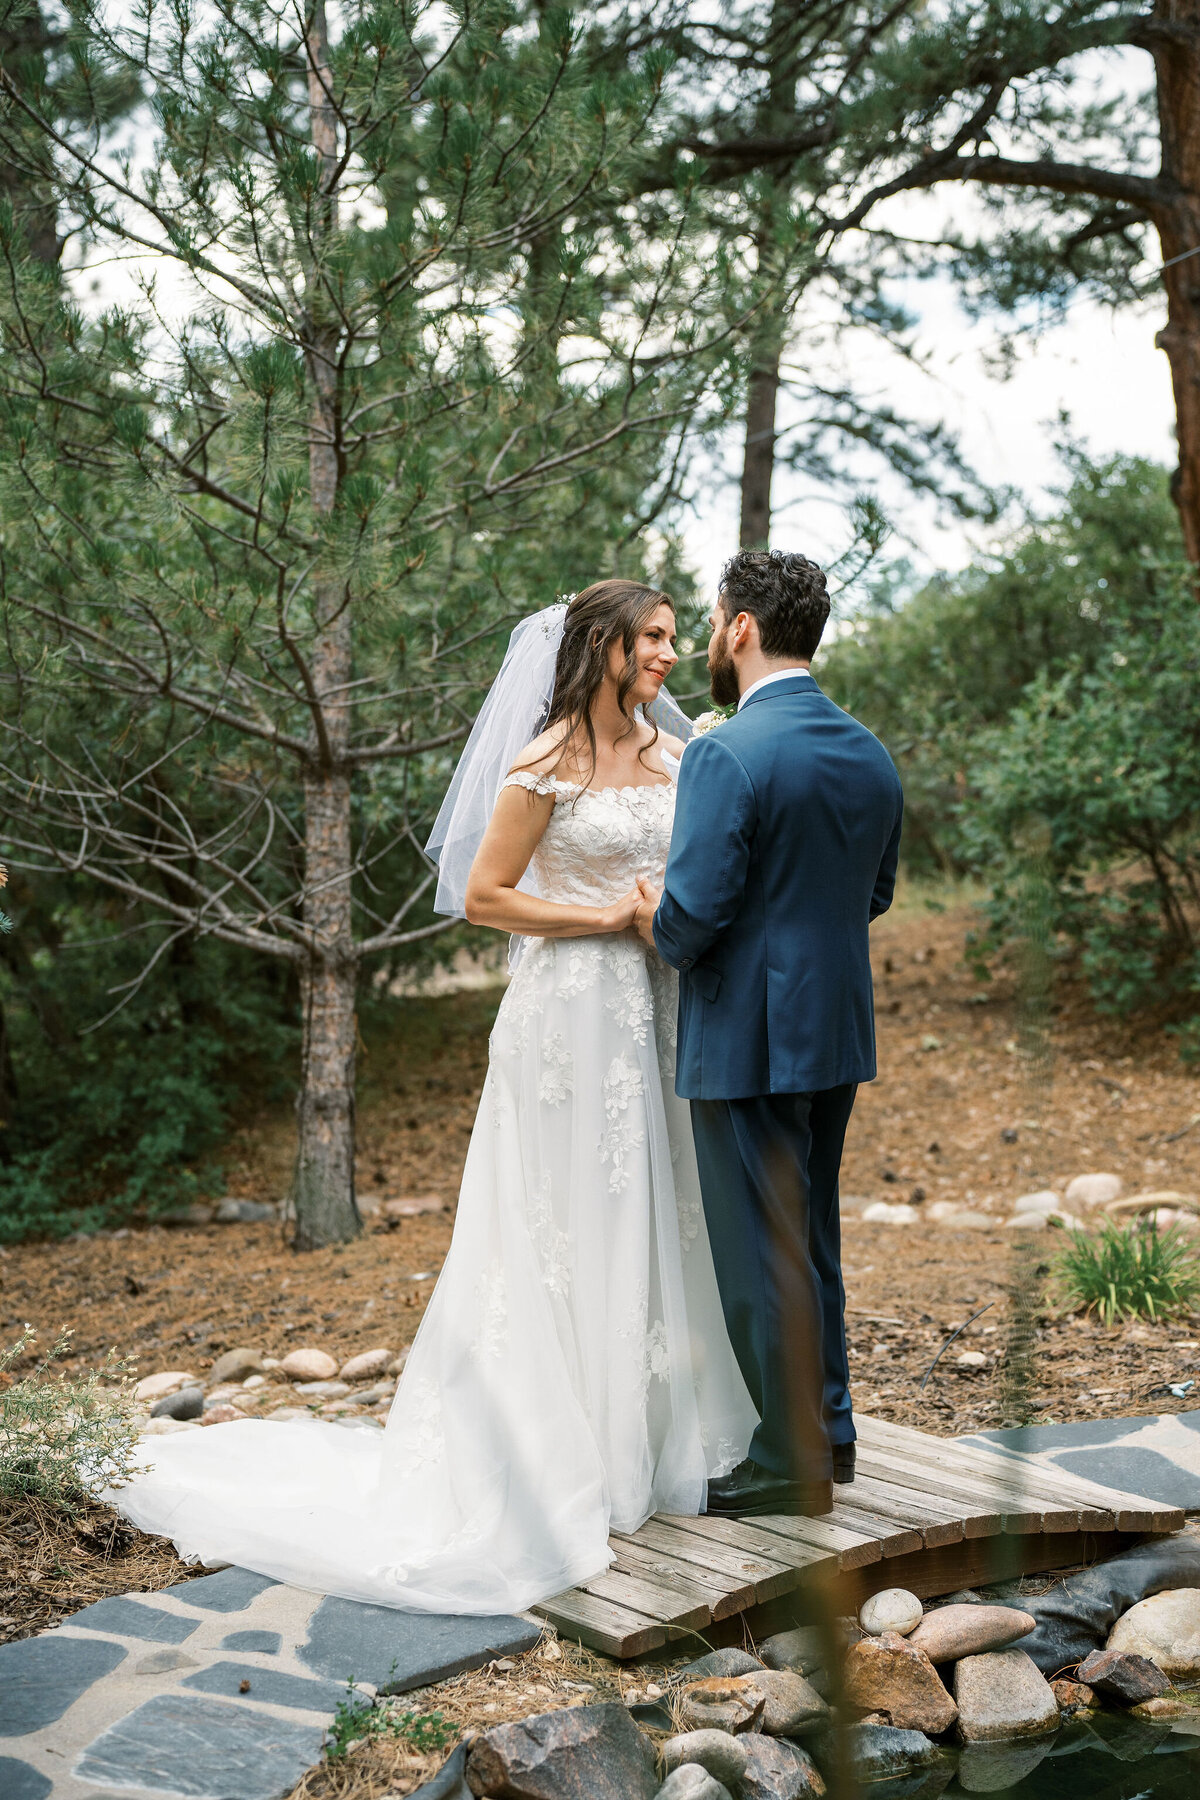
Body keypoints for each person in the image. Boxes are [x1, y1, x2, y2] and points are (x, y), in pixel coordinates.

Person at [109, 580, 755, 1613]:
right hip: (572, 1018)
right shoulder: (543, 764)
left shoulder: (679, 758)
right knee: (566, 1221)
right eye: (653, 640)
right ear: (602, 647)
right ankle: (563, 1454)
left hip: (659, 1009)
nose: (671, 657)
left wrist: (665, 919)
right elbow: (484, 895)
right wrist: (606, 922)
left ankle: (657, 1438)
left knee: (659, 1208)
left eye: (678, 640)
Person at [635, 549, 903, 1519]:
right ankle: (828, 1431)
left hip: (746, 1034)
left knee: (756, 1254)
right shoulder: (868, 749)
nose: (707, 639)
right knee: (813, 1241)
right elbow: (874, 892)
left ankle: (791, 1461)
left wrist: (649, 916)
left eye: (710, 621)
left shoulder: (725, 752)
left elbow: (692, 920)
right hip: (834, 1031)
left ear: (740, 628)